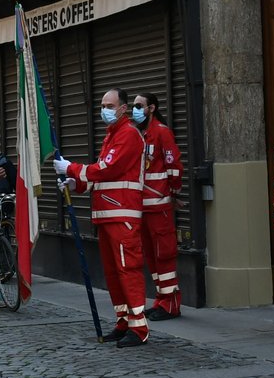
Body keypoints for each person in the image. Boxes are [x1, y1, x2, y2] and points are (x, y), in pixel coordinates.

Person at [54, 88, 150, 346]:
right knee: (113, 272)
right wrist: (77, 184)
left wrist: (72, 168)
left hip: (123, 214)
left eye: (109, 104)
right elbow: (103, 176)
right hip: (109, 214)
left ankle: (139, 327)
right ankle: (123, 321)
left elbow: (108, 168)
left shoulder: (128, 134)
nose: (104, 109)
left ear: (123, 108)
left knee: (127, 269)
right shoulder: (113, 135)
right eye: (102, 104)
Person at [134, 93, 184, 319]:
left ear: (151, 108)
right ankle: (161, 298)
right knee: (150, 255)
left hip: (159, 205)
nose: (134, 110)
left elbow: (173, 165)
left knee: (164, 253)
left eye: (138, 106)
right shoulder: (139, 133)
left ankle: (171, 303)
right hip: (141, 206)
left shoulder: (161, 132)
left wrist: (172, 193)